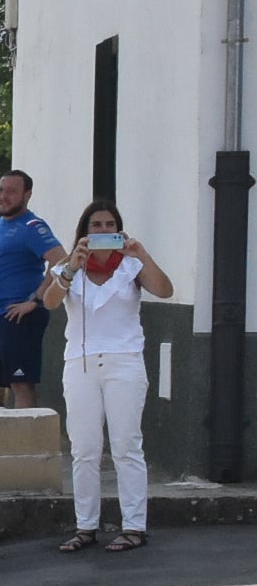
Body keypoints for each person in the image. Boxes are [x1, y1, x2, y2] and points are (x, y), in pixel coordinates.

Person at [43, 201, 175, 554]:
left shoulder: (131, 266)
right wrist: (72, 266)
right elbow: (50, 301)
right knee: (84, 449)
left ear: (119, 230)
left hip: (124, 361)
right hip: (81, 362)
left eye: (110, 225)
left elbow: (165, 290)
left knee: (126, 445)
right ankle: (85, 525)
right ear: (85, 231)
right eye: (96, 225)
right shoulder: (68, 267)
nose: (103, 231)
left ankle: (134, 525)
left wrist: (142, 253)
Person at [0, 171, 68, 410]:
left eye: (12, 191)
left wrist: (35, 300)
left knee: (20, 383)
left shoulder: (32, 227)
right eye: (1, 190)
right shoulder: (0, 223)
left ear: (27, 195)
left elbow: (61, 261)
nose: (4, 196)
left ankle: (26, 445)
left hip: (20, 315)